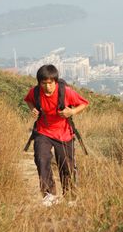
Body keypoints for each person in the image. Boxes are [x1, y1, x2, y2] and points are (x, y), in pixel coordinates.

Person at [24, 64, 89, 206]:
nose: (48, 87)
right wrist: (33, 109)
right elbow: (28, 100)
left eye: (50, 83)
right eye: (44, 83)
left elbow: (84, 103)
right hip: (43, 131)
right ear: (39, 83)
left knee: (67, 165)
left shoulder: (66, 92)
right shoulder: (35, 92)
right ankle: (49, 195)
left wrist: (71, 112)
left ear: (55, 81)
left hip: (64, 133)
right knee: (41, 158)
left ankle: (70, 196)